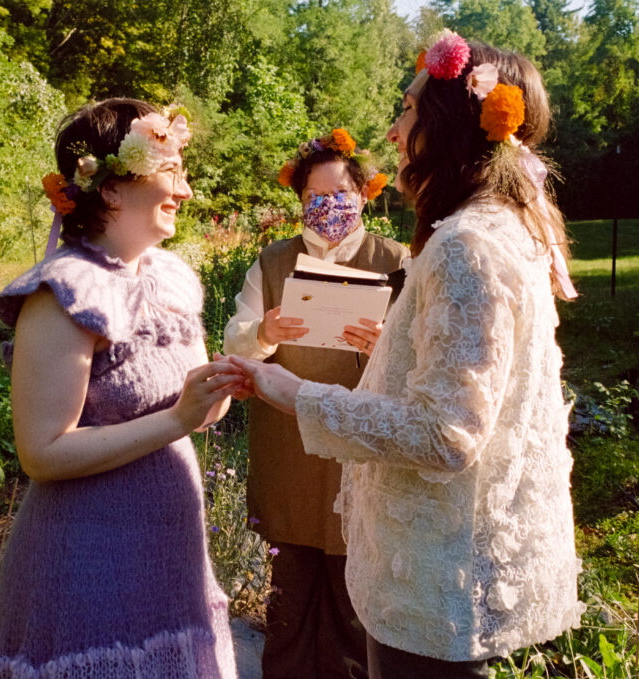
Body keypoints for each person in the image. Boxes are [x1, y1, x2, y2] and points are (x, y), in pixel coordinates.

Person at [226, 31, 584, 679]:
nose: (395, 131)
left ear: (448, 122)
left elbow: (447, 434)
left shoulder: (465, 244)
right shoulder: (504, 225)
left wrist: (289, 390)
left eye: (409, 110)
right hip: (447, 577)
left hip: (437, 586)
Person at [0, 98, 241, 679]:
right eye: (173, 173)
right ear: (113, 189)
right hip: (89, 569)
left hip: (172, 558)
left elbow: (192, 407)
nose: (187, 191)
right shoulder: (62, 294)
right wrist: (176, 421)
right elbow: (41, 452)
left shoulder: (170, 276)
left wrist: (227, 380)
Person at [223, 129, 407, 679]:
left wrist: (387, 348)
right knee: (292, 593)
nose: (325, 208)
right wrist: (266, 330)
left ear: (363, 195)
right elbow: (235, 341)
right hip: (290, 444)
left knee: (354, 601)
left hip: (360, 443)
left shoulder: (396, 260)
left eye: (337, 195)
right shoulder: (275, 261)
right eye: (312, 198)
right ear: (300, 202)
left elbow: (425, 360)